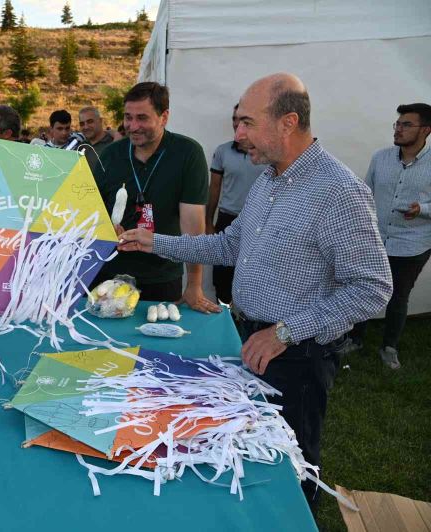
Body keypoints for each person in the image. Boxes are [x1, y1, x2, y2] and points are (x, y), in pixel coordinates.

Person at [117, 73, 392, 509]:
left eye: (246, 122)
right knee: (255, 455)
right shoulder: (269, 179)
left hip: (296, 357)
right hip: (253, 339)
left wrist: (284, 332)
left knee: (291, 466)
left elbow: (373, 288)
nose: (237, 134)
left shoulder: (339, 192)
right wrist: (154, 241)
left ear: (288, 121)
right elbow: (229, 244)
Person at [92, 82, 220, 312]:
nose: (132, 126)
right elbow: (92, 210)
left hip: (162, 275)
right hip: (108, 274)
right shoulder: (110, 155)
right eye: (128, 117)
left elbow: (193, 225)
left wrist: (194, 284)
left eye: (142, 118)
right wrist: (104, 228)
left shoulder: (187, 154)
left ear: (164, 117)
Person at [345, 103, 431, 368]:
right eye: (398, 124)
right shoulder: (380, 158)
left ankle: (389, 347)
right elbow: (366, 192)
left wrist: (423, 209)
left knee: (398, 295)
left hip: (413, 243)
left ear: (426, 130)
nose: (399, 129)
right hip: (375, 238)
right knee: (364, 287)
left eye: (407, 125)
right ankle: (355, 339)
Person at [206, 104, 268, 304]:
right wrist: (208, 221)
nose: (237, 124)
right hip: (228, 219)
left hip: (260, 221)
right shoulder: (223, 151)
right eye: (234, 118)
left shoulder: (266, 152)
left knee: (255, 274)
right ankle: (225, 317)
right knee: (223, 275)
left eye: (243, 120)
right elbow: (214, 188)